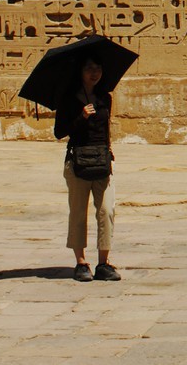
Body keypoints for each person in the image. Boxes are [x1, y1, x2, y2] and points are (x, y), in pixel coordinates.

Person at [53, 58, 118, 282]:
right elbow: (59, 132)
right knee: (79, 212)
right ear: (80, 71)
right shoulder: (69, 99)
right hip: (78, 160)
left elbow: (105, 128)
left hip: (101, 159)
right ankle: (81, 262)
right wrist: (81, 117)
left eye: (98, 67)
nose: (94, 72)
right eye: (89, 68)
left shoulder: (105, 98)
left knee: (107, 210)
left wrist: (109, 152)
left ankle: (104, 262)